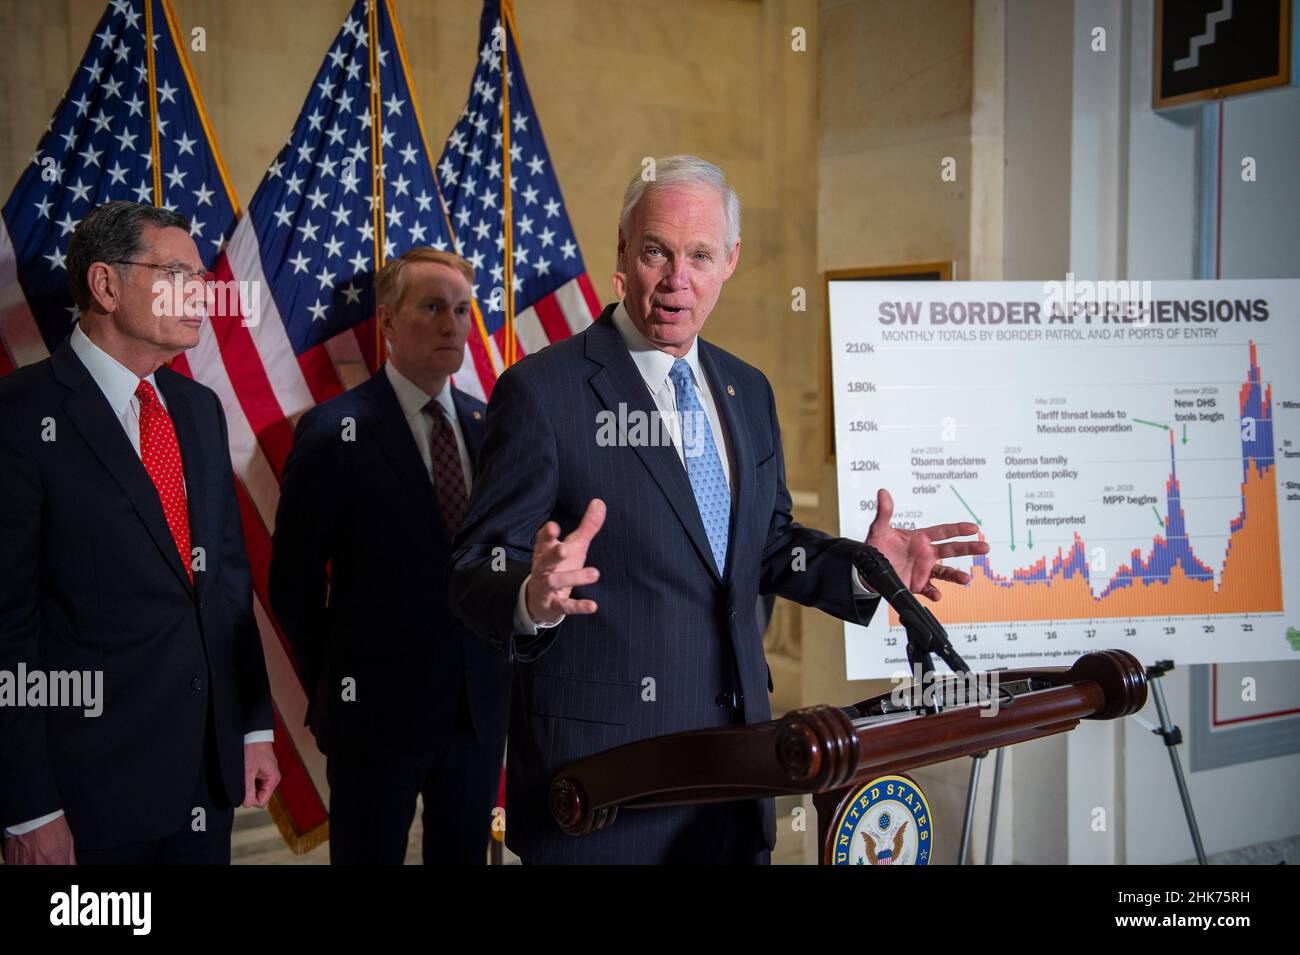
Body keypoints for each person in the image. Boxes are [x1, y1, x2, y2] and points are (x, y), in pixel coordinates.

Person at [450, 155, 989, 864]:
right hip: (603, 788)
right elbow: (472, 566)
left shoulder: (747, 390)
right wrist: (532, 594)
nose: (677, 279)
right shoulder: (543, 392)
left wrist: (866, 569)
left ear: (729, 260)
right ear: (621, 251)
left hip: (738, 777)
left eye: (699, 255)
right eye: (656, 252)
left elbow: (766, 544)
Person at [0, 200, 278, 864]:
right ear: (105, 284)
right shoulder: (18, 416)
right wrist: (28, 807)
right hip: (83, 798)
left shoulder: (199, 409)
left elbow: (227, 586)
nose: (204, 293)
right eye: (178, 272)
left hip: (203, 786)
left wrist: (251, 727)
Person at [270, 248, 509, 864]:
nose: (452, 325)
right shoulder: (334, 432)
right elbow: (293, 586)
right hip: (373, 717)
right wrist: (339, 681)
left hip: (475, 713)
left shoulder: (494, 428)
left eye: (461, 309)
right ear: (388, 322)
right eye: (431, 307)